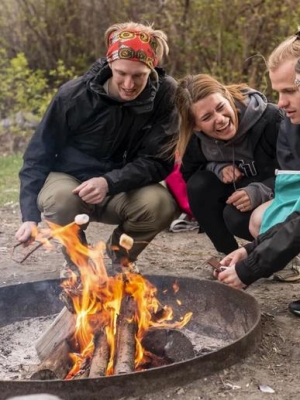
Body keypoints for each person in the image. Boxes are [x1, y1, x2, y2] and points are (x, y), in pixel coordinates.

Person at [15, 21, 179, 272]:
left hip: (122, 187)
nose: (128, 84)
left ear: (152, 67)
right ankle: (79, 265)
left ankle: (119, 263)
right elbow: (37, 157)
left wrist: (109, 182)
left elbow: (159, 161)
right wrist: (29, 217)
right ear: (110, 63)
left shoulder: (166, 95)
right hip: (70, 181)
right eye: (121, 73)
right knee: (59, 200)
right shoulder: (73, 95)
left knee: (161, 203)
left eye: (139, 76)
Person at [216, 32, 300, 315]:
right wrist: (251, 250)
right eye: (278, 92)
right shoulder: (292, 125)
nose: (282, 102)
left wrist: (248, 268)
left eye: (290, 91)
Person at [175, 74, 282, 255]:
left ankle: (283, 254)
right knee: (199, 185)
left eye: (220, 107)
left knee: (236, 217)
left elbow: (295, 174)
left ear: (227, 96)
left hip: (279, 195)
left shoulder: (272, 119)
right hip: (241, 192)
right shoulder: (197, 140)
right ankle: (229, 255)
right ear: (195, 126)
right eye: (207, 117)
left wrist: (261, 191)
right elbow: (189, 173)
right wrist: (216, 167)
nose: (220, 119)